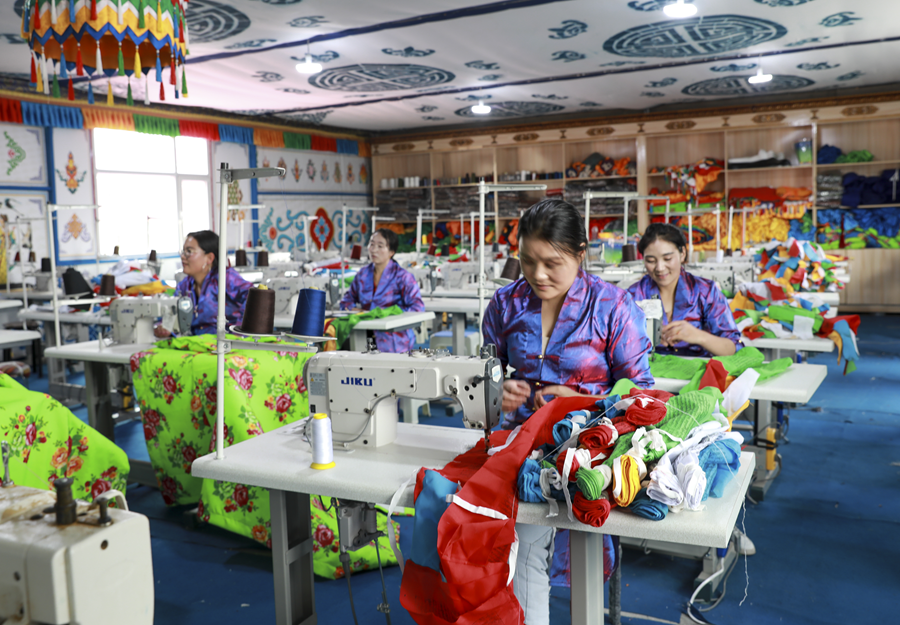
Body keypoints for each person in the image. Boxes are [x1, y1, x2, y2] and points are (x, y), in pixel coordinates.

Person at [482, 198, 654, 625]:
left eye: (552, 263)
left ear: (580, 254)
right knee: (522, 554)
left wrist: (579, 399)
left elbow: (642, 395)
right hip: (520, 451)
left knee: (582, 552)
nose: (537, 274)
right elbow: (481, 374)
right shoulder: (505, 304)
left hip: (590, 451)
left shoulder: (613, 307)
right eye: (527, 261)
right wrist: (497, 391)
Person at [627, 223, 741, 357]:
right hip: (650, 370)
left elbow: (734, 348)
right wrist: (641, 337)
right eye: (651, 261)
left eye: (667, 259)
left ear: (682, 254)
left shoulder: (706, 292)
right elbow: (614, 346)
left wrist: (699, 336)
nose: (660, 268)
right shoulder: (632, 297)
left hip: (699, 369)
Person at [339, 228, 425, 352]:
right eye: (371, 244)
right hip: (363, 336)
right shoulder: (362, 275)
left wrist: (387, 314)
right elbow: (346, 302)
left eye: (380, 246)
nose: (374, 250)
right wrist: (358, 311)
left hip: (395, 341)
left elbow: (418, 308)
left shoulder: (403, 277)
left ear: (391, 252)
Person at [154, 230, 252, 338]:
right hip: (197, 343)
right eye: (183, 251)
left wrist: (239, 331)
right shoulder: (184, 286)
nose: (183, 256)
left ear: (209, 258)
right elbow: (172, 314)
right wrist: (164, 327)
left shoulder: (225, 278)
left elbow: (254, 299)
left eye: (189, 251)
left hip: (227, 343)